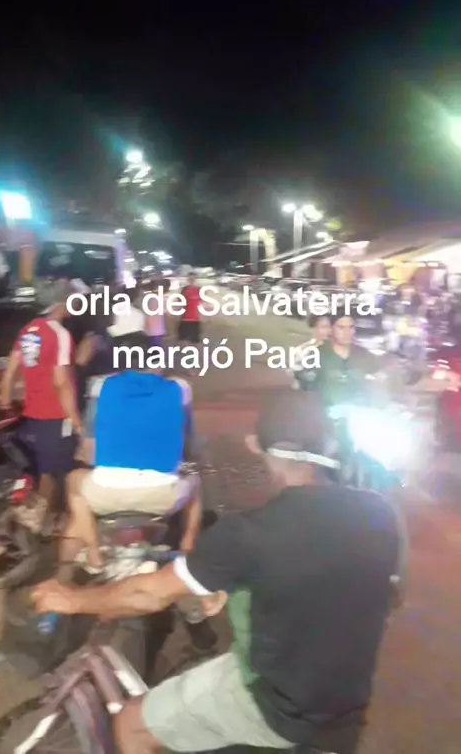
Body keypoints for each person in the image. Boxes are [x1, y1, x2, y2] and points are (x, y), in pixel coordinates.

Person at [34, 391, 406, 754]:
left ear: (255, 445)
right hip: (345, 709)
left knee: (130, 724)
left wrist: (71, 598)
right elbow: (386, 596)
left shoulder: (248, 532)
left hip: (274, 705)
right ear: (331, 446)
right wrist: (244, 585)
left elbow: (148, 595)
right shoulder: (383, 514)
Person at [59, 328, 200, 572]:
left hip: (105, 493)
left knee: (74, 482)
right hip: (162, 496)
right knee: (196, 484)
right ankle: (187, 549)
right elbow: (188, 438)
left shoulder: (101, 386)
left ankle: (93, 552)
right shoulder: (181, 388)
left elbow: (89, 444)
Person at [0, 279, 81, 525]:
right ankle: (42, 522)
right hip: (55, 413)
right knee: (54, 471)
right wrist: (76, 420)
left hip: (31, 412)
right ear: (62, 303)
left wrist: (5, 402)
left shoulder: (28, 330)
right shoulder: (60, 334)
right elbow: (61, 381)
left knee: (41, 466)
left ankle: (37, 516)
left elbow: (10, 370)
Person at [309, 310, 383, 407]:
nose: (347, 332)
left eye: (351, 327)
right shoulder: (317, 355)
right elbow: (305, 386)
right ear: (331, 329)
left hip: (360, 409)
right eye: (341, 327)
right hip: (326, 409)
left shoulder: (364, 355)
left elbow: (381, 380)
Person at [290, 313, 331, 390]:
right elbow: (295, 379)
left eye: (331, 327)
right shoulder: (302, 350)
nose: (329, 331)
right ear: (315, 328)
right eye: (324, 327)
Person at [177, 272, 201, 346]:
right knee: (183, 340)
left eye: (193, 278)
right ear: (188, 279)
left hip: (195, 318)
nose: (191, 280)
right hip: (185, 317)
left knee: (194, 341)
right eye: (190, 278)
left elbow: (202, 301)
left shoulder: (199, 290)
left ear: (195, 279)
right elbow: (179, 301)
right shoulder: (184, 289)